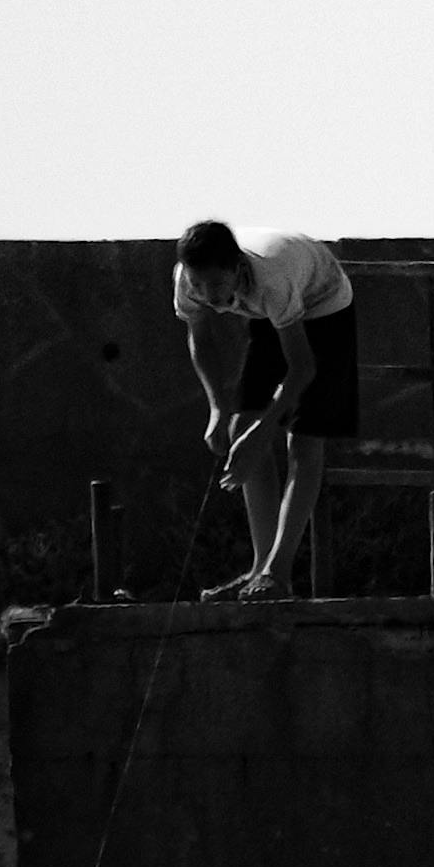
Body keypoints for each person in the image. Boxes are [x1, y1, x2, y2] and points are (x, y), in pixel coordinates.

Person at [171, 219, 354, 600]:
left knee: (303, 438)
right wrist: (218, 409)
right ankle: (258, 569)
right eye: (199, 286)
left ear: (237, 268)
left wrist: (265, 431)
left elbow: (302, 367)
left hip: (323, 304)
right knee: (241, 426)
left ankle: (279, 573)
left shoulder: (272, 279)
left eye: (217, 286)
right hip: (269, 316)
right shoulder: (189, 282)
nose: (209, 296)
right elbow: (199, 338)